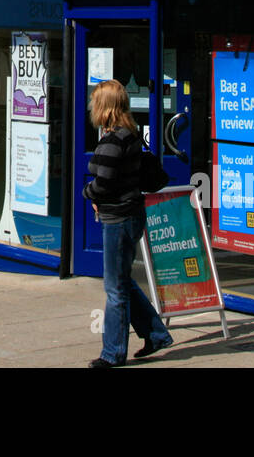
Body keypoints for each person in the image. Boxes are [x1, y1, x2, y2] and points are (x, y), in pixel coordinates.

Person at [83, 78, 173, 367]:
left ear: (104, 106)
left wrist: (88, 192)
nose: (91, 106)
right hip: (130, 215)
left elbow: (104, 183)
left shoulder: (113, 141)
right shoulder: (130, 135)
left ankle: (112, 354)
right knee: (121, 281)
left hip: (119, 219)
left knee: (115, 289)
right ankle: (157, 333)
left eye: (95, 101)